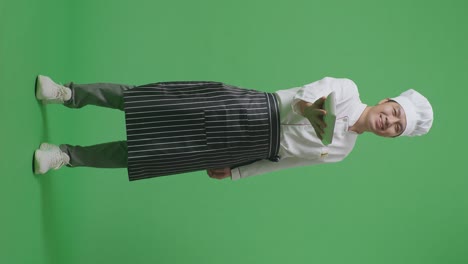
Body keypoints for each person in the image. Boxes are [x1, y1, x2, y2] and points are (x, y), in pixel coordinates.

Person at [33, 75, 433, 181]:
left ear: (391, 136)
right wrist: (311, 111)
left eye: (398, 127)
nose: (391, 121)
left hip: (247, 148)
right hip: (249, 109)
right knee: (151, 99)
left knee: (150, 152)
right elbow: (299, 99)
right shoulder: (347, 90)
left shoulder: (345, 151)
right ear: (386, 101)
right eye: (395, 112)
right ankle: (68, 93)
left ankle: (66, 156)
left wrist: (240, 170)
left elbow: (287, 161)